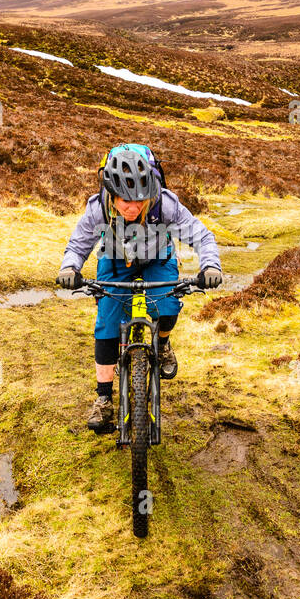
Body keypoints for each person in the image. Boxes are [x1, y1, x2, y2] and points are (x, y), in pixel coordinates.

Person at [57, 144, 222, 433]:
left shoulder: (164, 203)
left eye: (140, 201)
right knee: (107, 322)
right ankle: (104, 399)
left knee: (168, 306)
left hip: (158, 255)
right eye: (125, 202)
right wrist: (69, 268)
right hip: (116, 257)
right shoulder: (98, 209)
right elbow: (78, 244)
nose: (133, 208)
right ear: (112, 194)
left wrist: (211, 267)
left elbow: (202, 236)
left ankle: (164, 342)